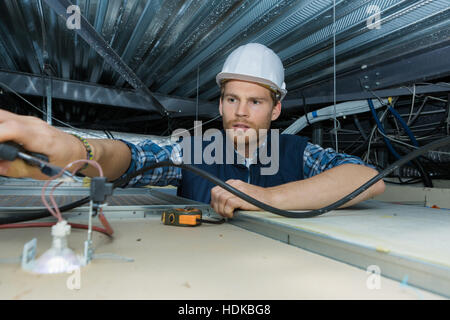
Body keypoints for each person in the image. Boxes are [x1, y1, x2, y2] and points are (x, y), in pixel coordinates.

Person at [0, 43, 385, 218]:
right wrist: (77, 150)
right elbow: (135, 157)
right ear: (219, 105)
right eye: (232, 99)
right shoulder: (195, 151)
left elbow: (368, 178)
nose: (241, 112)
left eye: (256, 102)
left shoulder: (298, 152)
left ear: (276, 108)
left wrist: (264, 197)